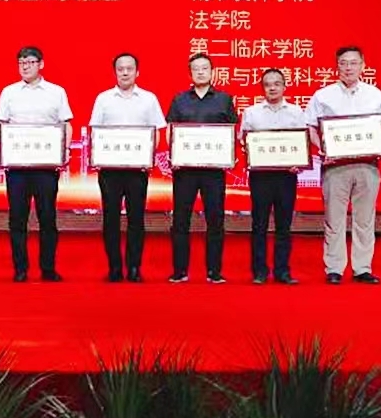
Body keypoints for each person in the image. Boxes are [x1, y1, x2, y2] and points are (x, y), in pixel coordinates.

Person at [305, 46, 381, 285]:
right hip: (335, 167)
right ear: (337, 66)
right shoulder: (323, 95)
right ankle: (334, 268)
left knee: (364, 219)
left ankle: (362, 268)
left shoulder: (374, 94)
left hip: (367, 165)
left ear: (363, 66)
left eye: (353, 63)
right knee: (334, 219)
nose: (348, 68)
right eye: (343, 63)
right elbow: (311, 127)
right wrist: (323, 149)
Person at [0, 46, 73, 282]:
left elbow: (65, 124)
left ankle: (48, 268)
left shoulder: (56, 92)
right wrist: (4, 150)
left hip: (45, 168)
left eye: (29, 62)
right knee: (17, 218)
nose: (25, 66)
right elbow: (0, 126)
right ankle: (20, 269)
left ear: (41, 64)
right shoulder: (9, 92)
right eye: (21, 62)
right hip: (17, 167)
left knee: (47, 217)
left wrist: (64, 151)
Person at [88, 53, 166, 282]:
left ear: (137, 72)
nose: (125, 72)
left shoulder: (149, 99)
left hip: (137, 171)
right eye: (120, 69)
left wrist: (147, 159)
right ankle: (114, 268)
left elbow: (156, 133)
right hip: (109, 171)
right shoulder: (103, 99)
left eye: (129, 68)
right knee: (110, 218)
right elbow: (95, 132)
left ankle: (134, 268)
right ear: (115, 72)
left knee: (136, 219)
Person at [166, 53, 238, 284]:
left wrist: (229, 155)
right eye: (196, 69)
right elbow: (171, 131)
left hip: (214, 171)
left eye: (205, 68)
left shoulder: (224, 100)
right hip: (185, 170)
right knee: (180, 220)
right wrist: (174, 155)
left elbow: (232, 132)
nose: (200, 72)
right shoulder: (179, 100)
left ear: (212, 72)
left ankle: (214, 271)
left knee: (215, 219)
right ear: (190, 73)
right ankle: (180, 271)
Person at [240, 68, 306, 285]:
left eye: (277, 83)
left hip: (286, 176)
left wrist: (298, 161)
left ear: (284, 86)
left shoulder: (296, 112)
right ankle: (259, 271)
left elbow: (302, 142)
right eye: (268, 84)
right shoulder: (252, 113)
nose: (272, 88)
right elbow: (243, 141)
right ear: (263, 88)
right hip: (261, 176)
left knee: (283, 225)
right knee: (259, 224)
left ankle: (282, 271)